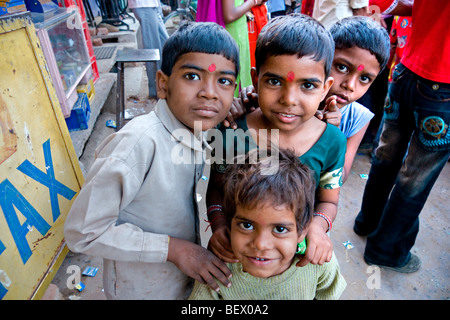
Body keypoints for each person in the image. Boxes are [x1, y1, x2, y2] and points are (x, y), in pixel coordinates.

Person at [64, 22, 240, 300]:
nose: (210, 92)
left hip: (180, 285)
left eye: (224, 81)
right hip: (141, 290)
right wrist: (175, 249)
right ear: (162, 84)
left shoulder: (201, 131)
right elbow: (82, 231)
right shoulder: (138, 144)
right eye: (192, 76)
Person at [206, 14, 347, 268]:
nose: (289, 99)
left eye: (307, 85)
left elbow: (328, 200)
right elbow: (216, 189)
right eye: (274, 81)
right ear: (255, 79)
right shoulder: (231, 130)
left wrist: (318, 226)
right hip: (236, 254)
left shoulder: (332, 141)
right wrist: (218, 226)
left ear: (326, 88)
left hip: (296, 257)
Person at [355, 0, 450, 272]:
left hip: (406, 71)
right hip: (443, 85)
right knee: (415, 176)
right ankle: (385, 249)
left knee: (386, 155)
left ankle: (368, 221)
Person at [189, 149, 346, 299]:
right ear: (229, 224)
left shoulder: (319, 262)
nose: (261, 244)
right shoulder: (217, 269)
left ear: (303, 230)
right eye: (246, 225)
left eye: (280, 229)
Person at [323, 16, 390, 182]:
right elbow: (267, 165)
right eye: (342, 67)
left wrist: (332, 136)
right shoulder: (293, 100)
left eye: (365, 78)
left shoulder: (358, 118)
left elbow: (338, 179)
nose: (350, 85)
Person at [128, 0, 169, 99]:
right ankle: (156, 90)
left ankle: (163, 86)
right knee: (153, 51)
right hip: (144, 4)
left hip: (153, 5)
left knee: (166, 45)